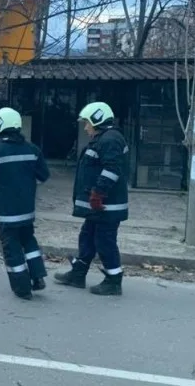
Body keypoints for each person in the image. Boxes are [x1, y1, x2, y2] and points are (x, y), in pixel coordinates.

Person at [54, 102, 129, 296]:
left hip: (106, 205)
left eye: (87, 123)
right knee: (87, 237)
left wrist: (98, 194)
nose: (86, 127)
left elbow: (112, 169)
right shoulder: (104, 138)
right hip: (100, 205)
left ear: (97, 119)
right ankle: (78, 274)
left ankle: (114, 280)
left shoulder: (110, 139)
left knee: (105, 241)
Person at [0, 107, 50, 300]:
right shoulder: (33, 149)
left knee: (11, 247)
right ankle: (38, 277)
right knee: (29, 240)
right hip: (27, 209)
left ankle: (22, 287)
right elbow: (44, 176)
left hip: (6, 210)